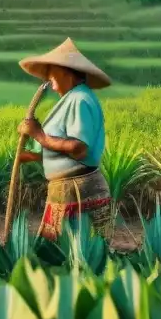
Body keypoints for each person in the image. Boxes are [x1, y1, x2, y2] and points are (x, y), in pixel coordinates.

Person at [15, 38, 112, 241]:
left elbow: (78, 148)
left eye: (52, 76)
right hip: (67, 189)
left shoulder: (79, 99)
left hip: (76, 189)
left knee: (66, 253)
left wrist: (38, 135)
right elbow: (66, 152)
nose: (50, 84)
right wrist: (33, 156)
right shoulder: (73, 99)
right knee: (64, 255)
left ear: (65, 71)